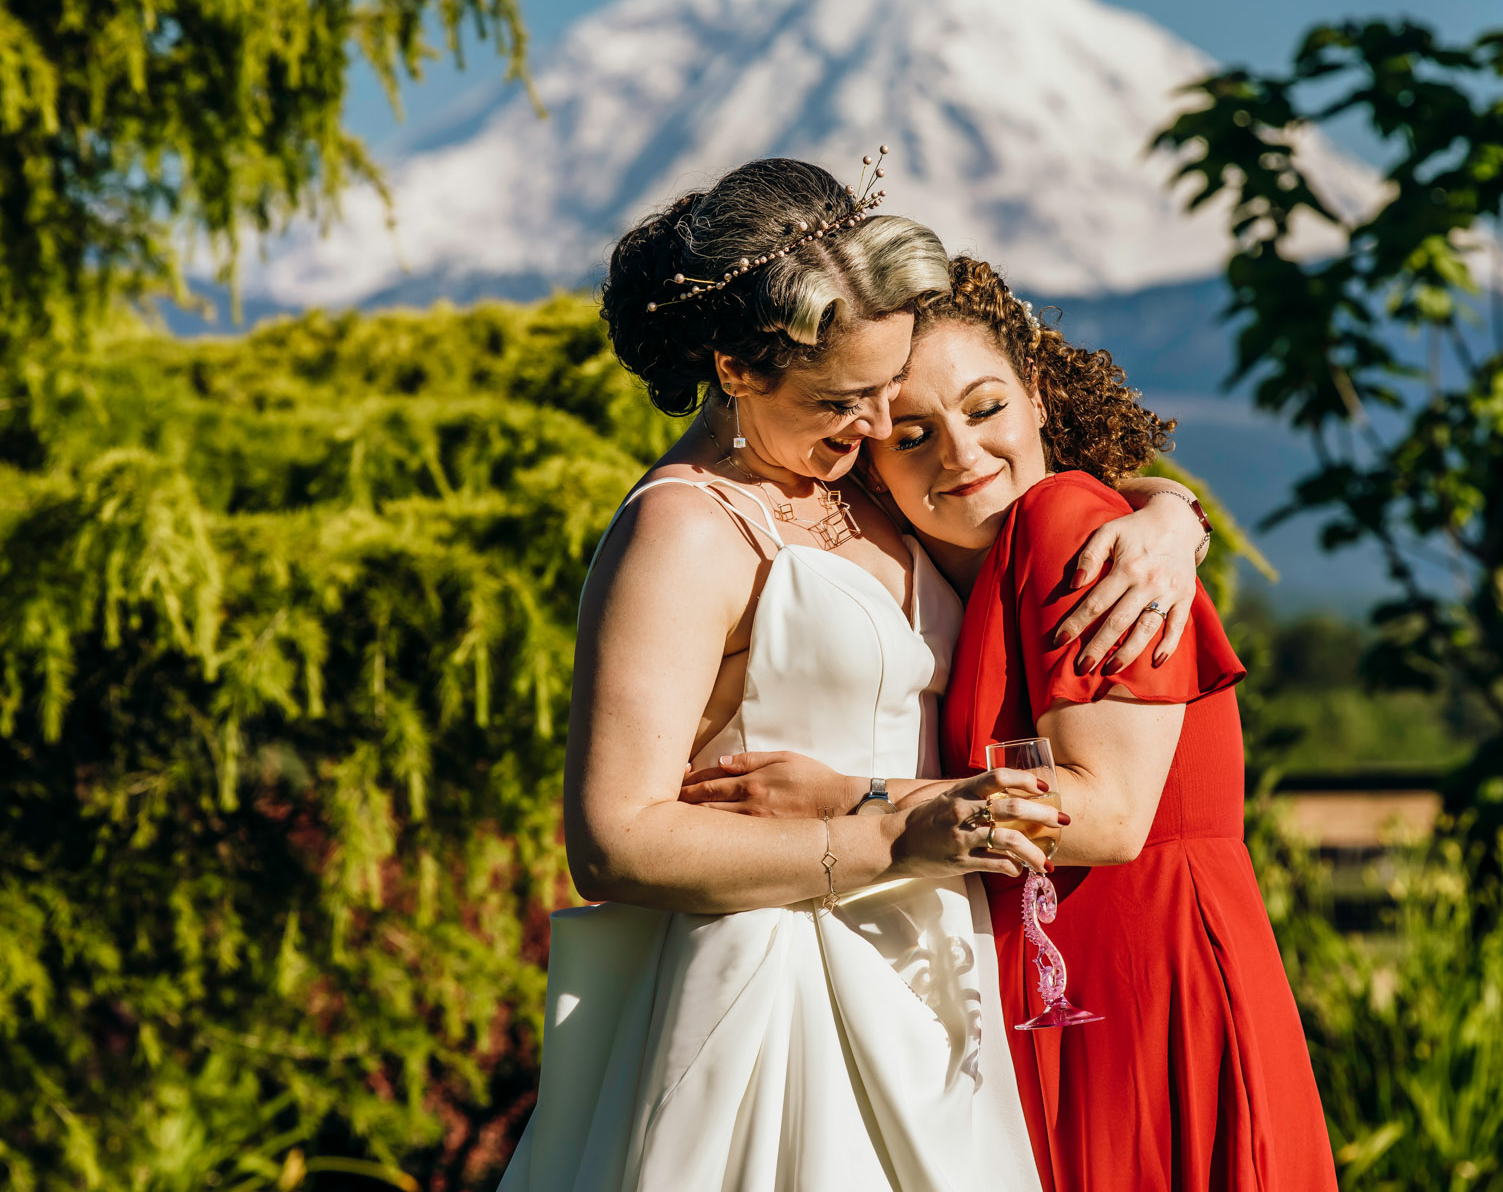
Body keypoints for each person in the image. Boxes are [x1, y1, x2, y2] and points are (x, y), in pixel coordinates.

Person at [494, 161, 1213, 1192]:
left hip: (933, 972)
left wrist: (1163, 514)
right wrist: (884, 833)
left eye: (886, 387)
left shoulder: (851, 478)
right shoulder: (683, 530)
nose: (879, 423)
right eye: (843, 396)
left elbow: (1016, 499)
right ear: (734, 368)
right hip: (775, 980)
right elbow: (611, 839)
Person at [687, 257, 1340, 1192]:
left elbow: (1108, 818)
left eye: (986, 408)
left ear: (1037, 395)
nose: (960, 454)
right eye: (912, 433)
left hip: (1148, 982)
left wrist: (845, 800)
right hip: (1064, 985)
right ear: (871, 459)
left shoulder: (1066, 522)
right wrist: (1171, 505)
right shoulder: (966, 573)